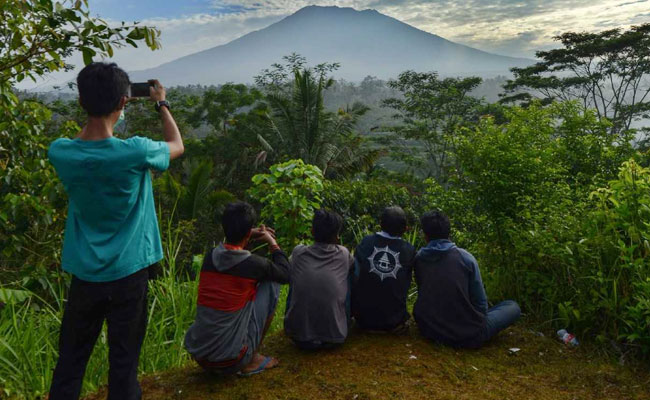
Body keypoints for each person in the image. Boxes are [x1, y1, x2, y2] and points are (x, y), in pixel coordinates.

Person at [48, 62, 184, 399]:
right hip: (129, 273)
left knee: (70, 362)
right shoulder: (135, 152)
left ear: (81, 102)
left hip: (85, 273)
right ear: (123, 103)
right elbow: (176, 144)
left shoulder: (61, 152)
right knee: (123, 366)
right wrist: (161, 103)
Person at [184, 202, 289, 375]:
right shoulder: (254, 264)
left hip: (201, 357)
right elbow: (285, 274)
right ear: (248, 232)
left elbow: (233, 246)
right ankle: (251, 359)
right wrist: (272, 242)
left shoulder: (211, 257)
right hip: (232, 361)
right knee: (272, 283)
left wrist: (250, 235)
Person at [413, 211, 521, 348]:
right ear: (448, 233)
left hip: (428, 329)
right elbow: (481, 304)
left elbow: (424, 291)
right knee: (512, 306)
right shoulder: (465, 258)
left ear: (425, 236)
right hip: (468, 336)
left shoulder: (419, 258)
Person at [284, 209, 354, 350]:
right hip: (334, 338)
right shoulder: (344, 254)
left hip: (298, 338)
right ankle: (341, 319)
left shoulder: (298, 252)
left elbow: (287, 271)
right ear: (337, 237)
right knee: (348, 277)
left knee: (296, 278)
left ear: (312, 231)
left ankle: (298, 322)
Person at [351, 206, 416, 332]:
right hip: (395, 321)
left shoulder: (366, 242)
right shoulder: (409, 250)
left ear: (380, 224)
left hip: (363, 320)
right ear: (404, 228)